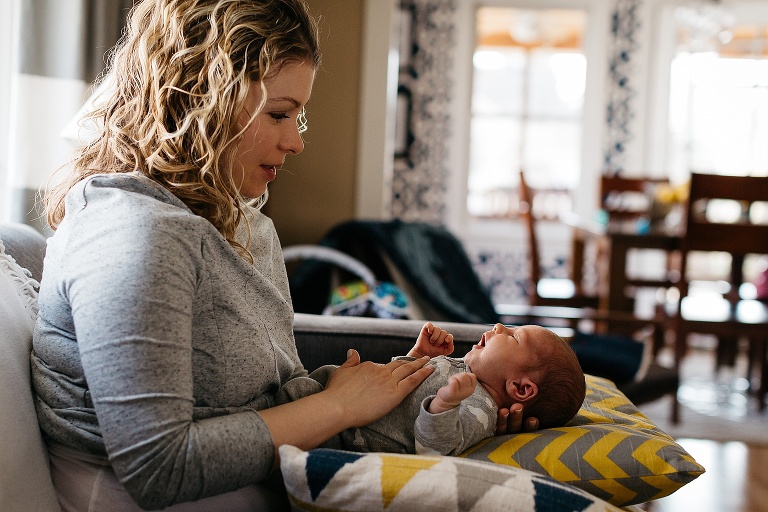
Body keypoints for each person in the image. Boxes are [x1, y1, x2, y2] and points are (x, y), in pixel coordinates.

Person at [29, 1, 534, 511]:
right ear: (202, 97)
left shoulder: (240, 221)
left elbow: (276, 393)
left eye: (299, 115)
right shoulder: (134, 236)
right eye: (278, 113)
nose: (295, 142)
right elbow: (159, 467)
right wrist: (338, 405)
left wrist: (471, 401)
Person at [279, 322, 585, 456]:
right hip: (329, 394)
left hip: (338, 436)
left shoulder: (479, 409)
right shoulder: (464, 372)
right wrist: (417, 356)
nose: (499, 328)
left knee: (279, 401)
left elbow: (437, 448)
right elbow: (397, 383)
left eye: (515, 337)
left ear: (520, 387)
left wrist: (444, 405)